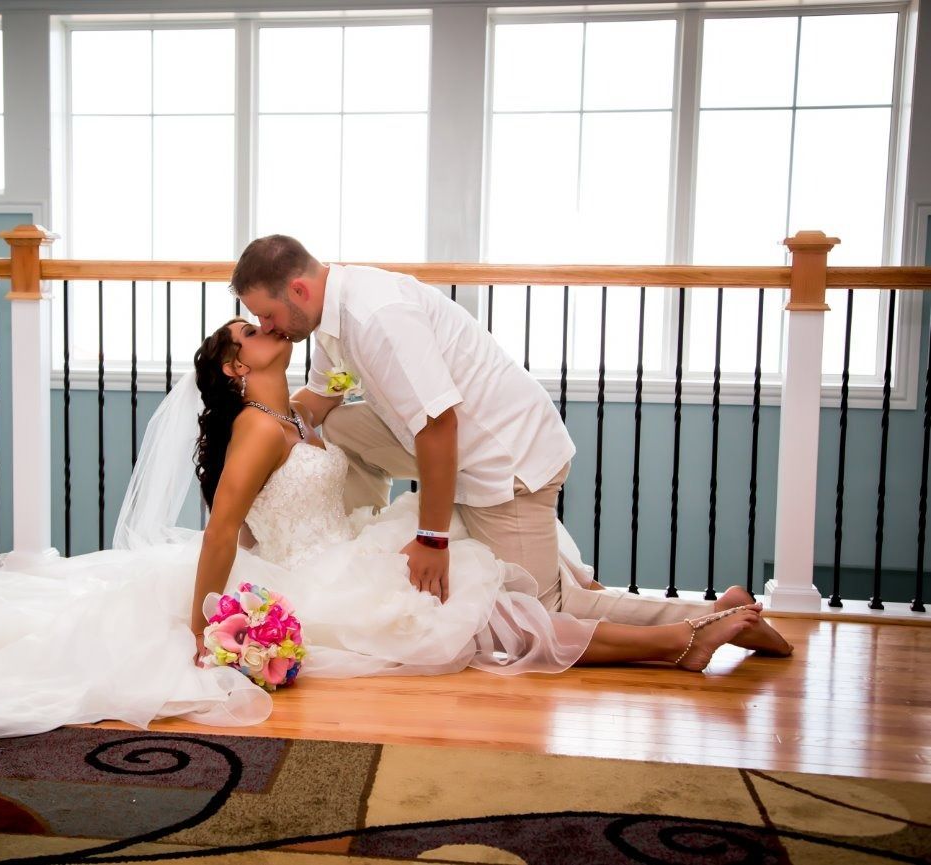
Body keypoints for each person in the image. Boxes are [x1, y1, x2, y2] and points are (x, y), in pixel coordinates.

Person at [0, 320, 778, 745]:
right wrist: (207, 619)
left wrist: (333, 415)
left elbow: (345, 452)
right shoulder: (252, 426)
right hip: (297, 580)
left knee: (489, 589)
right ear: (237, 365)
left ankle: (690, 632)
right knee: (482, 607)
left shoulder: (298, 410)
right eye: (252, 330)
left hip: (346, 554)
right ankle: (687, 636)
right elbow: (228, 527)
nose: (270, 330)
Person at [230, 235, 792, 657]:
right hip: (452, 444)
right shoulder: (332, 318)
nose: (267, 325)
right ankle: (720, 612)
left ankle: (689, 637)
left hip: (507, 461)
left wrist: (431, 538)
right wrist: (257, 418)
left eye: (267, 313)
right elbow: (324, 399)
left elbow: (439, 426)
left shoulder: (377, 316)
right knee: (346, 428)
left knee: (537, 615)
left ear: (299, 290)